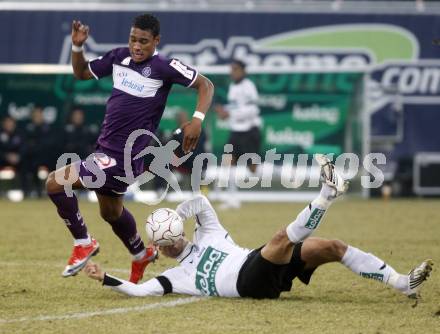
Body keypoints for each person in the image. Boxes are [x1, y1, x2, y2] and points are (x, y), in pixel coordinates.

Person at [84, 155, 433, 300]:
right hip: (246, 282)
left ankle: (402, 283)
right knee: (281, 238)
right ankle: (328, 193)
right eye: (163, 242)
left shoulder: (207, 231)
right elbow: (140, 291)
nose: (170, 242)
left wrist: (174, 214)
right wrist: (105, 279)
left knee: (332, 247)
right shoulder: (176, 277)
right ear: (159, 248)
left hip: (258, 263)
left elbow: (201, 203)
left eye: (171, 234)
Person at [45, 13, 214, 282]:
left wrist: (197, 120)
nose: (137, 46)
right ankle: (140, 254)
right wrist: (77, 47)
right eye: (133, 39)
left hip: (124, 156)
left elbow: (206, 84)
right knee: (111, 212)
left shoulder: (165, 67)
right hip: (105, 150)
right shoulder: (118, 57)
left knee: (55, 182)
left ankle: (83, 242)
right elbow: (80, 73)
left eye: (144, 41)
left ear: (156, 41)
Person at [214, 59, 262, 209]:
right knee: (228, 161)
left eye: (235, 69)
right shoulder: (232, 87)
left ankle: (286, 176)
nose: (232, 72)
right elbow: (234, 107)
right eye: (231, 69)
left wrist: (230, 114)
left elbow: (253, 109)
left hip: (249, 130)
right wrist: (223, 112)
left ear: (243, 71)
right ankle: (232, 199)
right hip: (236, 131)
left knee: (253, 169)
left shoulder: (249, 86)